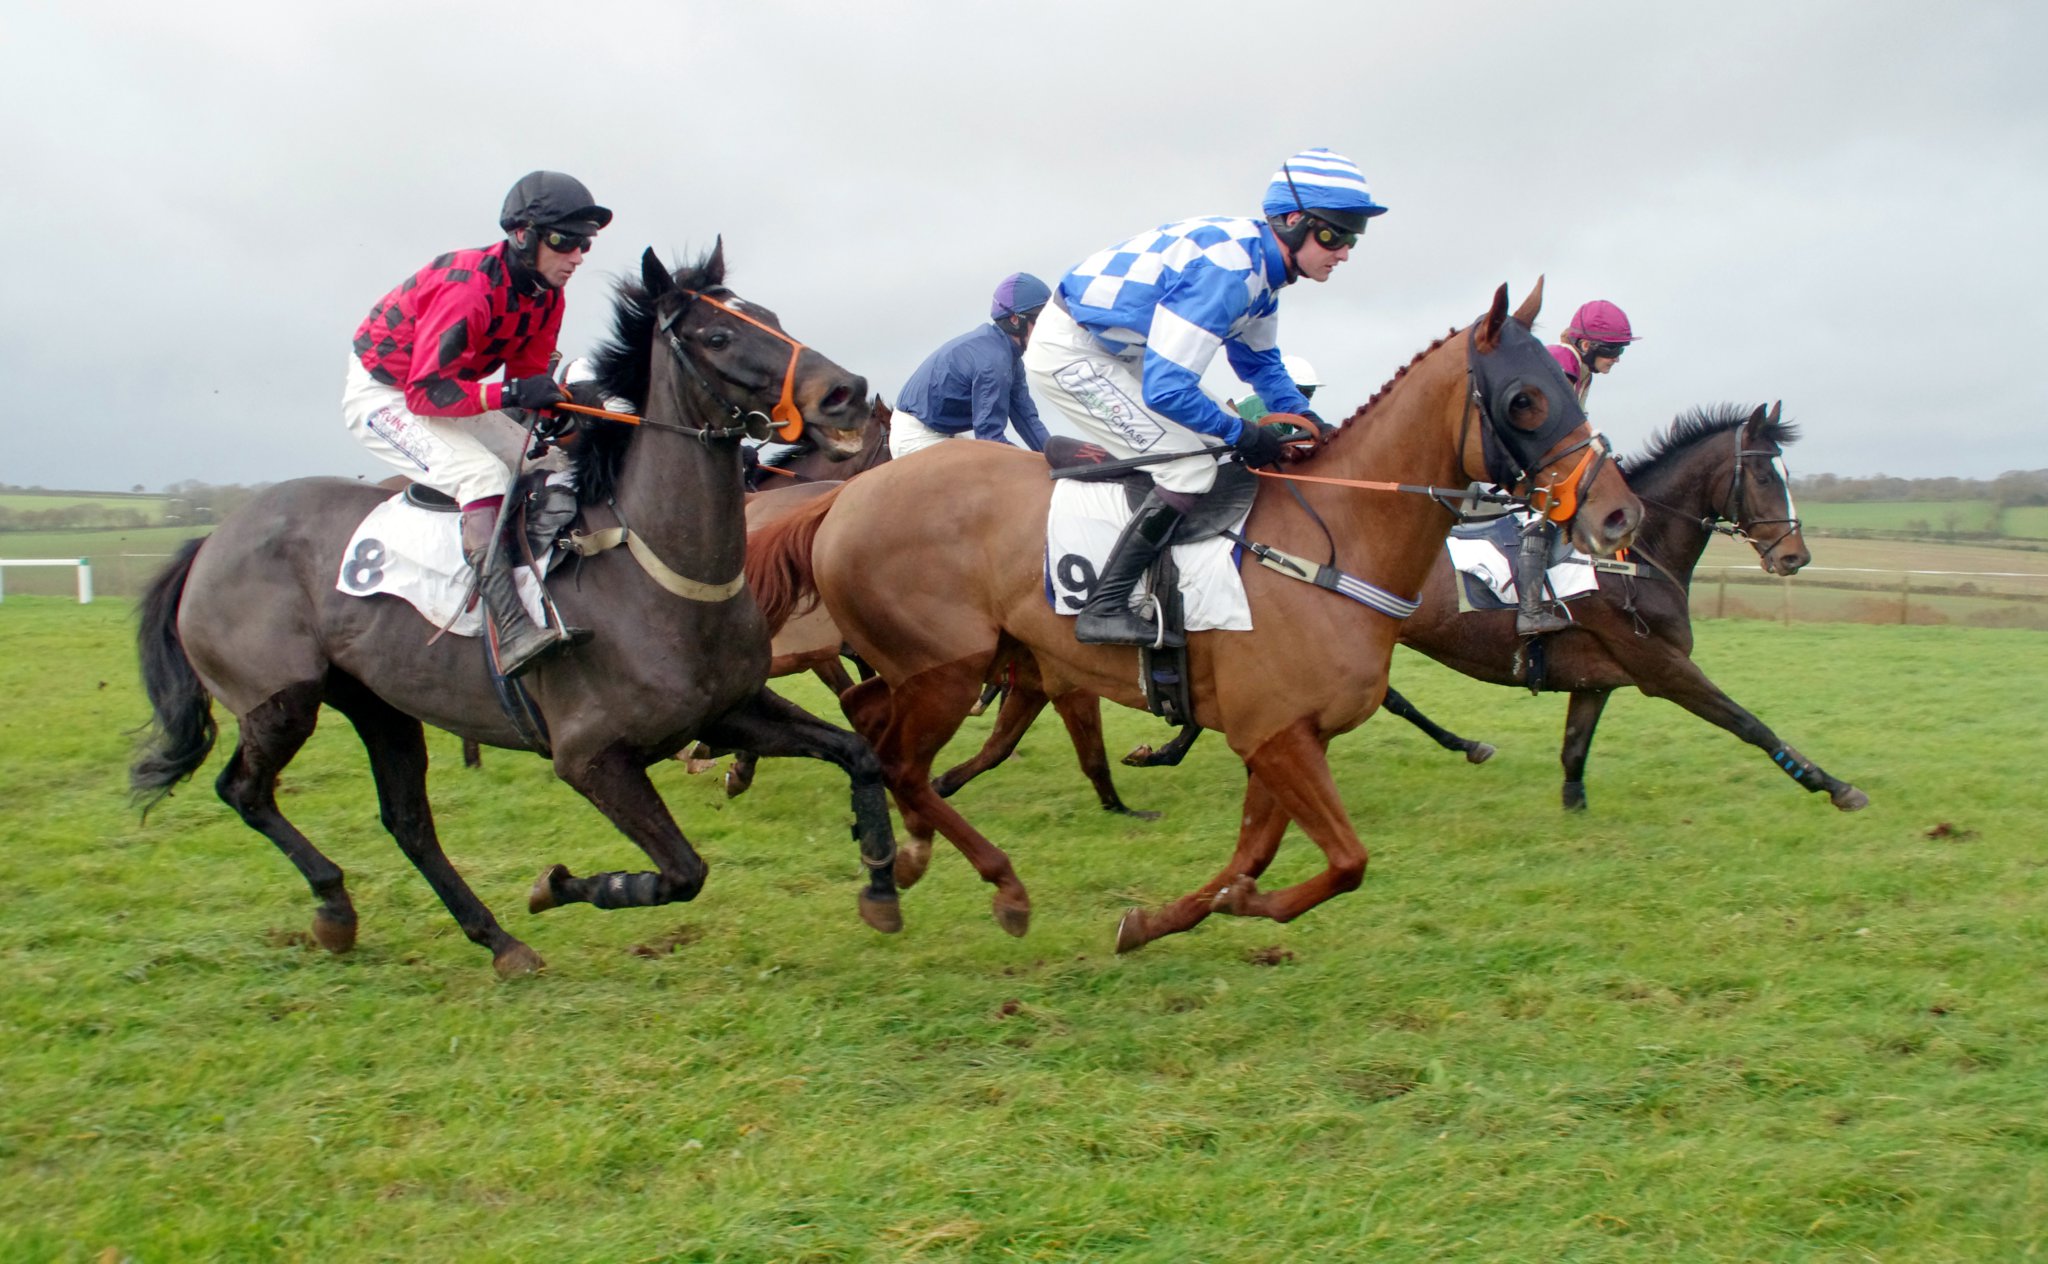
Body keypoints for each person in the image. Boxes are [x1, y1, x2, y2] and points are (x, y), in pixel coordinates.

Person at [1023, 147, 1386, 645]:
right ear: (1293, 222)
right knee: (1190, 467)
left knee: (1219, 444)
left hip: (1120, 350)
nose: (1344, 251)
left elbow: (1259, 364)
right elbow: (1169, 389)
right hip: (1071, 353)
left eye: (1352, 238)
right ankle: (1105, 605)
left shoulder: (1263, 274)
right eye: (1334, 234)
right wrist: (1245, 433)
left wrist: (1308, 418)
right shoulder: (1230, 275)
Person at [342, 171, 611, 677]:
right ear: (523, 236)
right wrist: (514, 393)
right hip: (388, 394)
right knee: (481, 476)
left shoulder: (546, 296)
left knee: (548, 462)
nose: (576, 256)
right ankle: (510, 628)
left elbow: (527, 381)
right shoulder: (468, 288)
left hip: (448, 390)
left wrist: (568, 406)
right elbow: (425, 393)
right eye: (564, 241)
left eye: (585, 245)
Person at [1515, 300, 1640, 634]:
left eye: (1621, 350)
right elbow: (1555, 425)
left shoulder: (1581, 370)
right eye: (1613, 349)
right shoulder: (1562, 360)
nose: (1617, 358)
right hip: (1522, 461)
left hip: (1538, 458)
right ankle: (1528, 612)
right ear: (1586, 345)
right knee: (1540, 520)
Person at [890, 273, 1054, 458]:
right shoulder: (994, 361)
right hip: (917, 438)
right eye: (1042, 320)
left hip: (938, 432)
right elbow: (990, 440)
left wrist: (1058, 457)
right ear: (1015, 320)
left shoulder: (1010, 360)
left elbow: (1027, 420)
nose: (1048, 329)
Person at [1234, 353, 1322, 429]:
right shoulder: (1267, 407)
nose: (1306, 400)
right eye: (1304, 393)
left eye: (1310, 394)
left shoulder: (1286, 413)